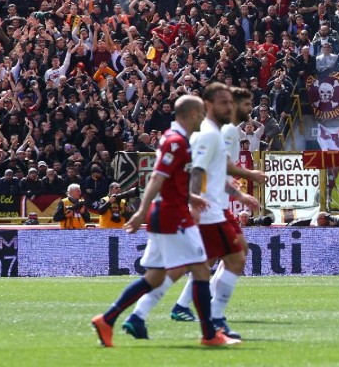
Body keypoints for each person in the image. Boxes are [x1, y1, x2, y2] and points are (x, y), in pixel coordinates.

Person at [91, 95, 235, 348]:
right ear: (191, 115)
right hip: (173, 216)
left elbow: (168, 181)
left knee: (156, 277)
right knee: (201, 269)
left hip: (169, 211)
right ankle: (210, 335)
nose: (203, 118)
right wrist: (140, 212)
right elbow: (156, 179)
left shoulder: (174, 139)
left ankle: (108, 319)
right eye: (201, 113)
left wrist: (188, 196)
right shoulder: (176, 142)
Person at [127, 84, 260, 341]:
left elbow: (214, 170)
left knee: (185, 268)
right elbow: (197, 171)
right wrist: (194, 203)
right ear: (209, 106)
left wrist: (240, 193)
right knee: (231, 259)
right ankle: (212, 322)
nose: (239, 109)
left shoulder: (211, 133)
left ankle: (137, 315)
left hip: (210, 207)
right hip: (208, 210)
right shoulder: (216, 134)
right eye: (232, 104)